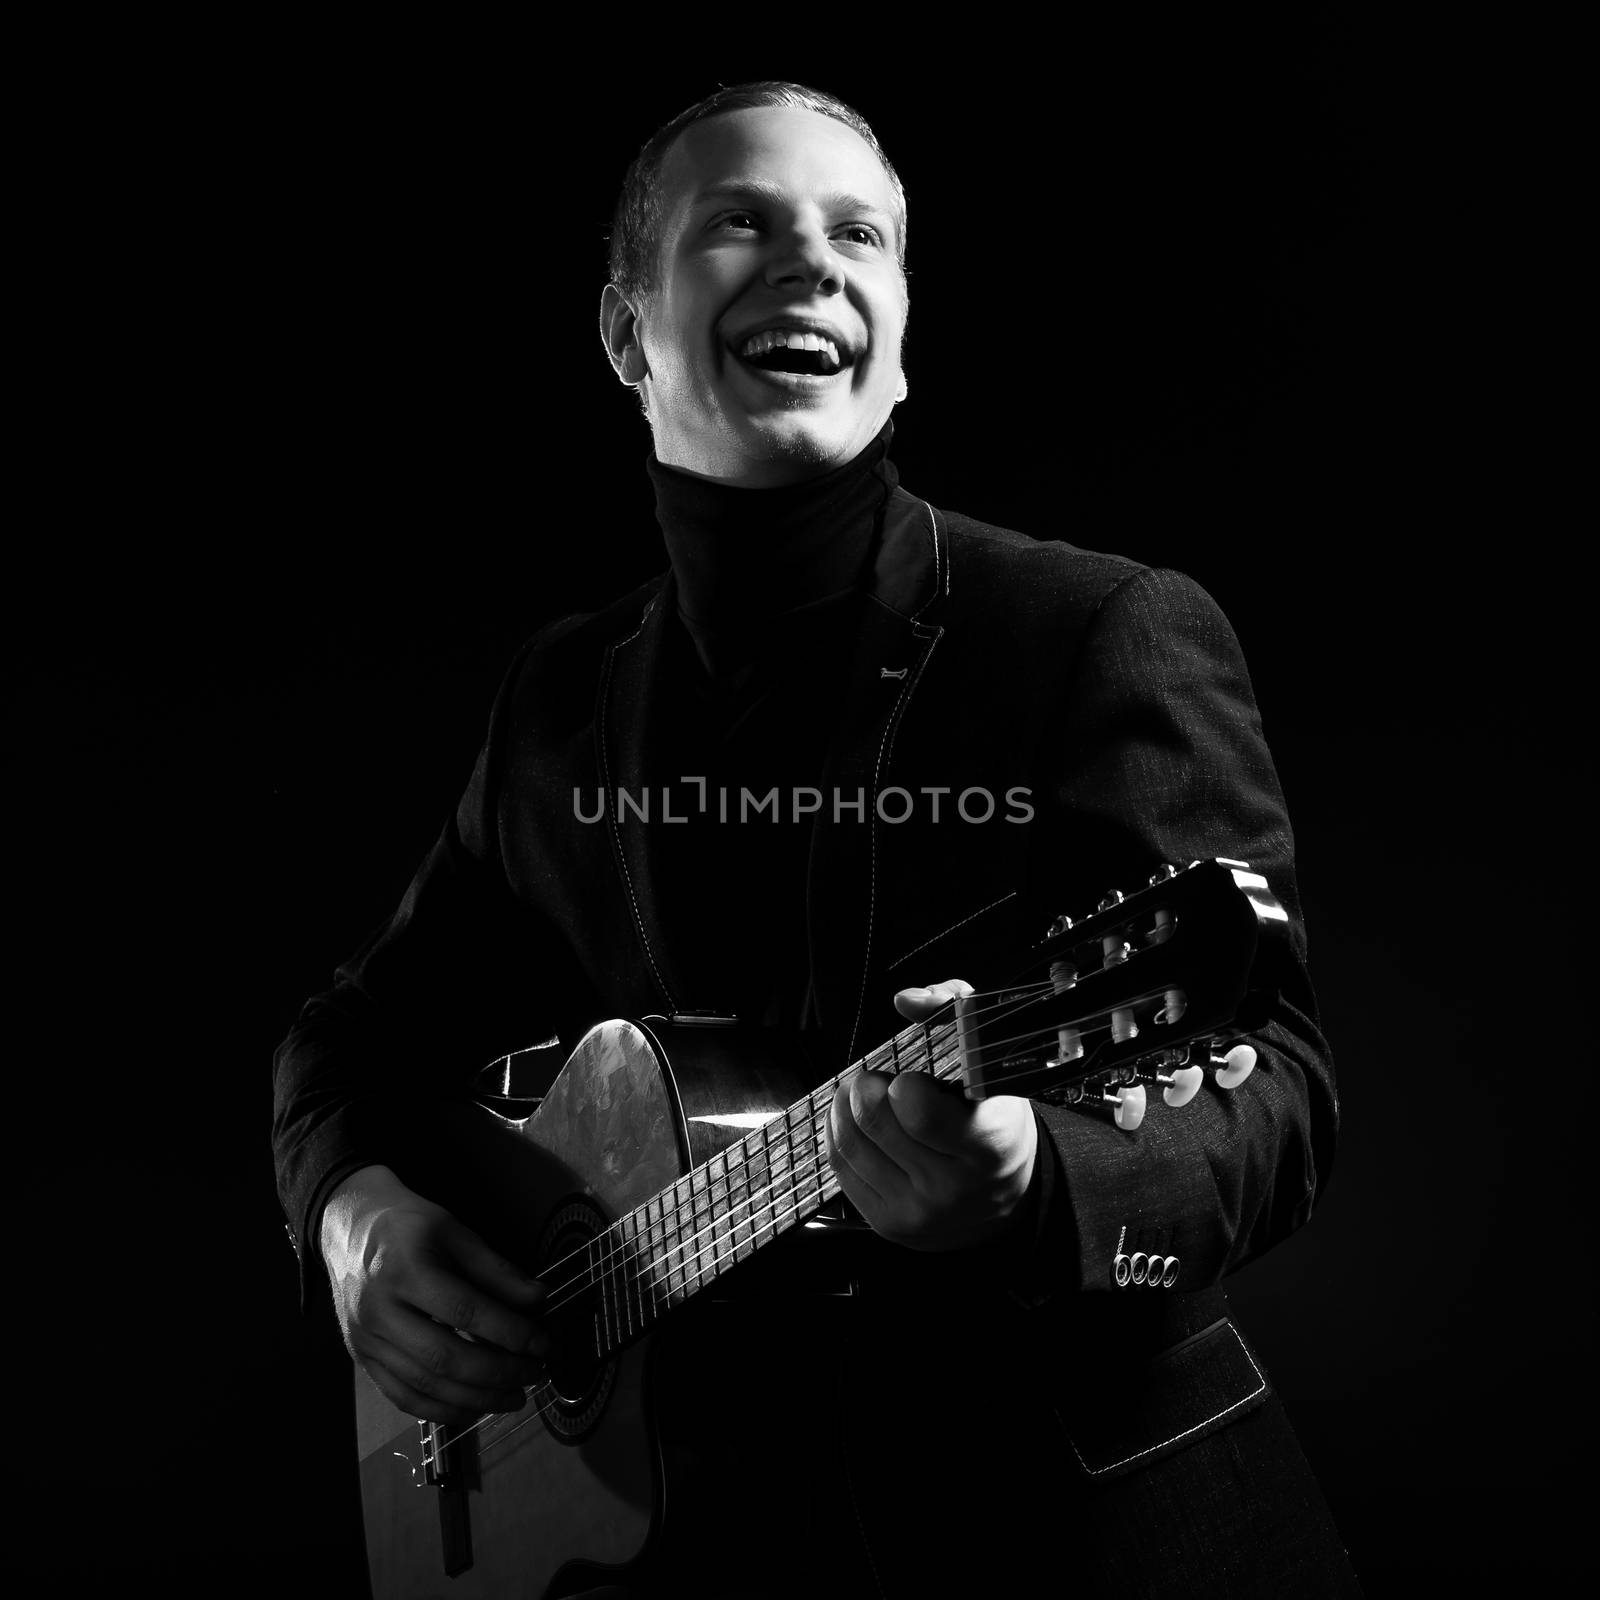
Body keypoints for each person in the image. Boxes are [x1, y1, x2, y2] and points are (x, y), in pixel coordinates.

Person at [274, 82, 1362, 1598]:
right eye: (742, 224)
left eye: (857, 233)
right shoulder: (559, 704)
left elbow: (1280, 1111)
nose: (810, 265)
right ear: (622, 331)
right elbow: (352, 1040)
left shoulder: (1095, 635)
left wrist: (1042, 1184)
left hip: (1081, 1545)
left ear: (901, 331)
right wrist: (356, 1221)